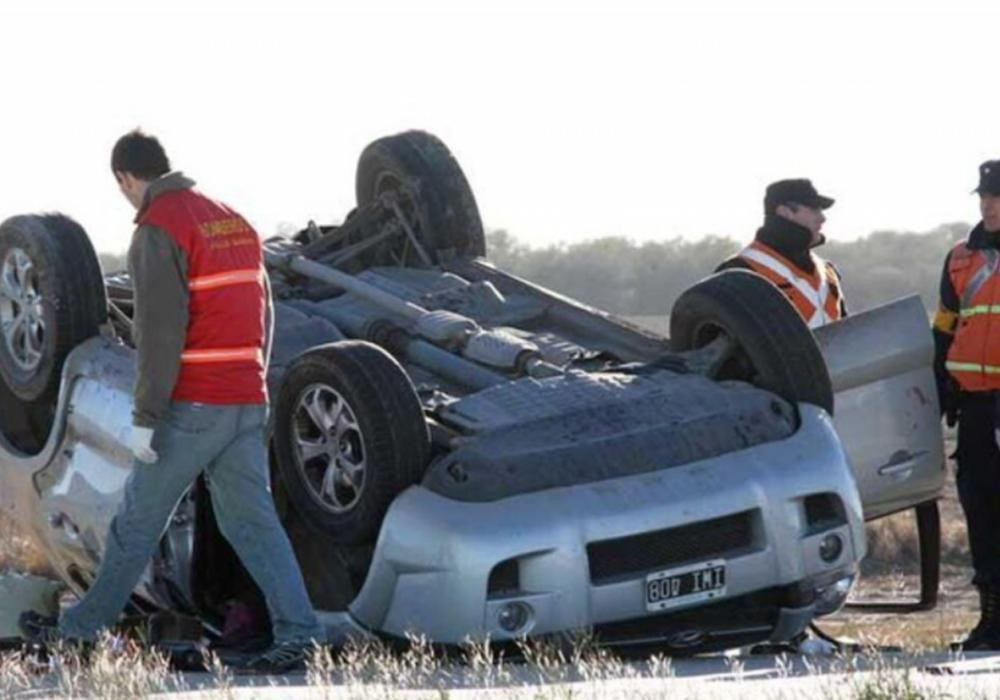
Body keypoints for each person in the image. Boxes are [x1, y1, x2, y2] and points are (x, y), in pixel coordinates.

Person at [20, 130, 324, 672]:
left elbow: (159, 335)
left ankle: (78, 633)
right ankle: (301, 634)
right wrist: (254, 381)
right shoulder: (233, 219)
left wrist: (145, 417)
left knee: (136, 524)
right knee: (251, 523)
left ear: (127, 178)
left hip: (196, 405)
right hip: (245, 400)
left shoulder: (159, 229)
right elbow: (264, 311)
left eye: (121, 189)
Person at [933, 160, 1000, 651]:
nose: (988, 204)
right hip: (975, 410)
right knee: (981, 511)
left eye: (996, 197)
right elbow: (944, 330)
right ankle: (992, 620)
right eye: (984, 196)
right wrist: (940, 392)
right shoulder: (960, 258)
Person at [717, 178, 847, 327]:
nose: (822, 218)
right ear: (785, 213)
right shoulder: (738, 271)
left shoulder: (828, 272)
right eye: (814, 210)